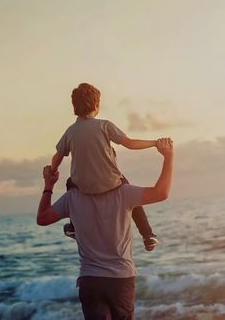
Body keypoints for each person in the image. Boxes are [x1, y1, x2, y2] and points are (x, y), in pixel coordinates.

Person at [37, 137, 173, 320]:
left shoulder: (72, 196)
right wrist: (168, 156)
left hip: (90, 279)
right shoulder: (124, 191)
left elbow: (43, 218)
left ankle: (75, 227)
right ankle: (148, 235)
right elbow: (161, 192)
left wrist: (49, 185)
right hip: (120, 278)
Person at [50, 82, 161, 251]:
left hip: (83, 186)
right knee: (131, 194)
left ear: (75, 107)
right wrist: (154, 143)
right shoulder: (104, 125)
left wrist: (52, 171)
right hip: (111, 183)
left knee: (69, 183)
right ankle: (148, 235)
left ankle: (73, 227)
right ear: (96, 104)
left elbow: (57, 157)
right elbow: (130, 144)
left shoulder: (70, 131)